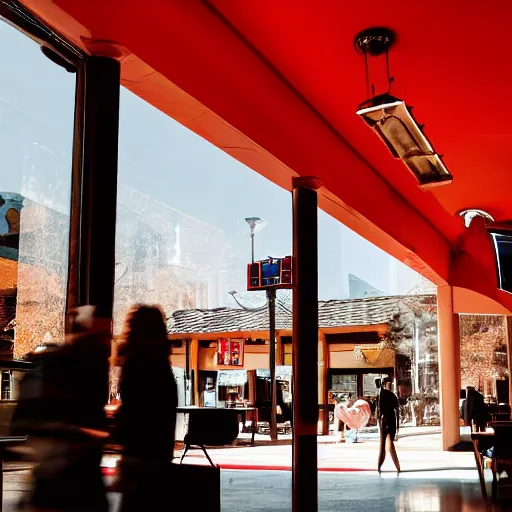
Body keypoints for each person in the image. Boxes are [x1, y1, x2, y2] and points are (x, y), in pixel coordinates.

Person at [11, 306, 111, 512]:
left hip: (65, 474)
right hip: (66, 474)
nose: (106, 342)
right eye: (101, 335)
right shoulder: (66, 366)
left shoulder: (59, 365)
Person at [116, 305, 178, 512]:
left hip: (139, 452)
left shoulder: (139, 361)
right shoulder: (162, 361)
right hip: (159, 451)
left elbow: (135, 408)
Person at [376, 378, 400, 473]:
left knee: (385, 445)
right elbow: (397, 409)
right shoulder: (388, 395)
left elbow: (379, 411)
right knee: (388, 445)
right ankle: (396, 467)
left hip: (386, 420)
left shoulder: (382, 395)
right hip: (389, 419)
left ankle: (380, 466)